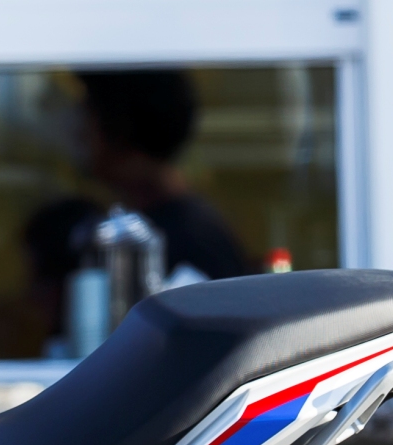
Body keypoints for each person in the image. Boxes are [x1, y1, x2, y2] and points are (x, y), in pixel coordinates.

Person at [23, 69, 252, 347]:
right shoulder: (165, 225)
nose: (78, 128)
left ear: (118, 126)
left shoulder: (185, 240)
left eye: (88, 111)